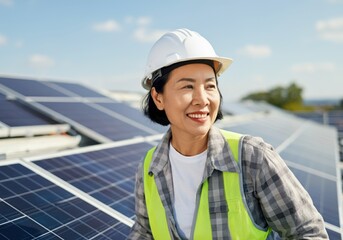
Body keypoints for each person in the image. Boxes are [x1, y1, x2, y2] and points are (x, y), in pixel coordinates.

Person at [127, 28, 328, 239]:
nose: (202, 99)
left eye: (210, 86)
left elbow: (308, 232)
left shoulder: (253, 158)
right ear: (158, 98)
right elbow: (143, 233)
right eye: (187, 86)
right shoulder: (149, 168)